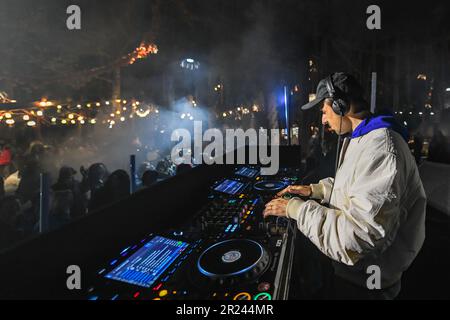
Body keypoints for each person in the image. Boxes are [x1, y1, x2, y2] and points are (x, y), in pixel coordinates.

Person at [264, 72, 426, 299]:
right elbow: (354, 190)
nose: (322, 120)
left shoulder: (382, 149)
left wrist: (296, 210)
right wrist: (316, 190)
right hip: (354, 276)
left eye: (324, 111)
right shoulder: (363, 138)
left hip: (368, 284)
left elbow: (357, 237)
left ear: (340, 105)